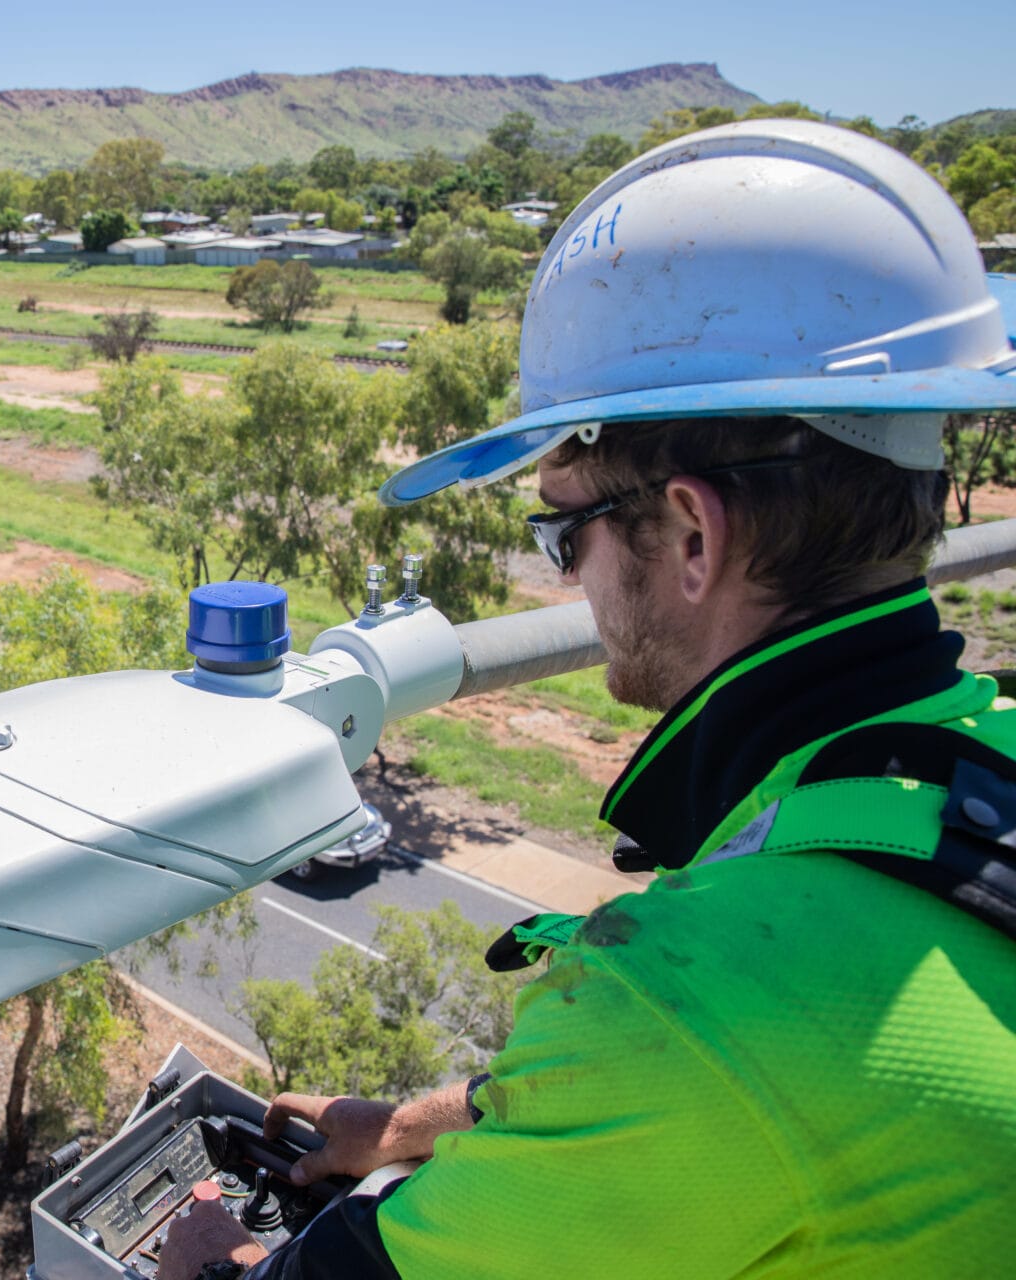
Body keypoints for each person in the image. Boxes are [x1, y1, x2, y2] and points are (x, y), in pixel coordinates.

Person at [160, 120, 1016, 1279]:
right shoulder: (961, 772)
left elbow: (696, 1071)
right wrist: (424, 1122)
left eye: (565, 530)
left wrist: (207, 1260)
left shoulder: (690, 1002)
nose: (567, 578)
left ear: (695, 534)